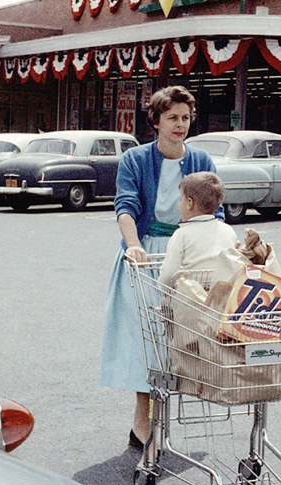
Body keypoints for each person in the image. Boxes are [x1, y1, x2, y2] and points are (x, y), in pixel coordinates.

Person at [100, 86, 224, 450]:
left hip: (189, 254)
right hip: (148, 255)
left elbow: (215, 213)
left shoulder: (202, 160)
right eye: (172, 118)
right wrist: (134, 246)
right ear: (155, 120)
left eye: (185, 117)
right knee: (147, 346)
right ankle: (144, 422)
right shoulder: (136, 160)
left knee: (182, 344)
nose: (180, 125)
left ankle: (159, 423)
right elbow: (125, 206)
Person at [158, 172, 238, 287]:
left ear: (190, 203)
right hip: (222, 294)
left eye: (181, 200)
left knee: (166, 302)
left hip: (192, 296)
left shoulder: (181, 234)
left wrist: (162, 287)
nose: (179, 205)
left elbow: (169, 274)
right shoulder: (228, 231)